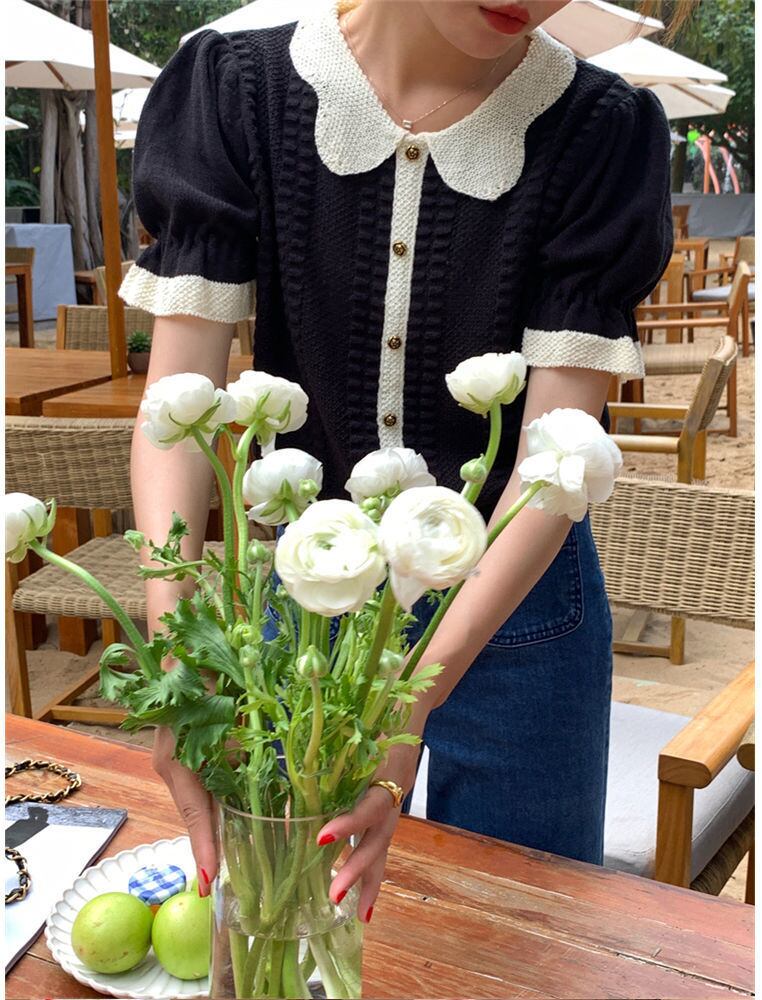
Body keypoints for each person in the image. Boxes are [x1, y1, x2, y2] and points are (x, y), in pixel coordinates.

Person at [121, 0, 680, 925]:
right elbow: (174, 405)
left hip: (520, 612)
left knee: (518, 938)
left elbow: (557, 459)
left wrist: (405, 705)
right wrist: (178, 657)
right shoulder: (237, 91)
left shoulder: (601, 130)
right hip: (305, 611)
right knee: (291, 929)